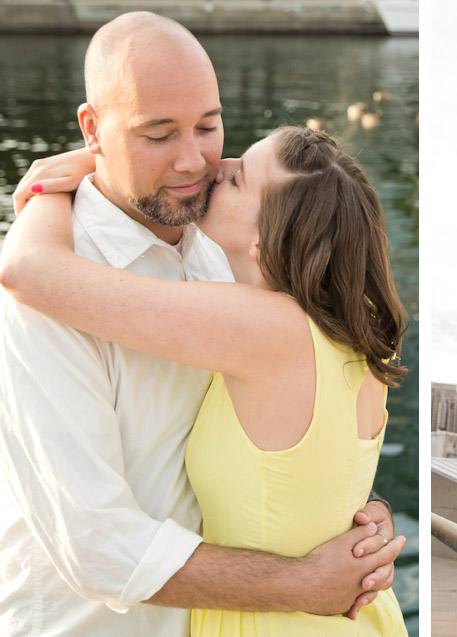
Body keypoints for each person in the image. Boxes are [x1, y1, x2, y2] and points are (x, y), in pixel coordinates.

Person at [0, 12, 402, 637]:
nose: (198, 162)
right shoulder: (50, 297)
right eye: (157, 135)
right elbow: (95, 545)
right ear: (93, 130)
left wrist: (353, 515)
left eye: (209, 127)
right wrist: (302, 580)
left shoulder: (230, 247)